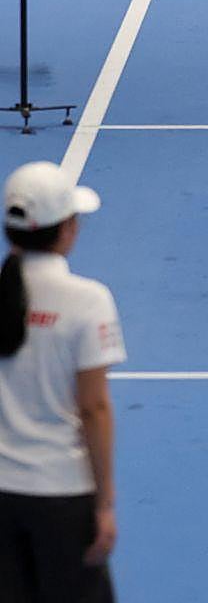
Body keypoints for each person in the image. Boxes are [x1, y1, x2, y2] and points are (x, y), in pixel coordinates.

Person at [0, 161, 122, 603]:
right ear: (66, 229)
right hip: (60, 498)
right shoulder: (88, 302)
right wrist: (105, 504)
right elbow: (94, 409)